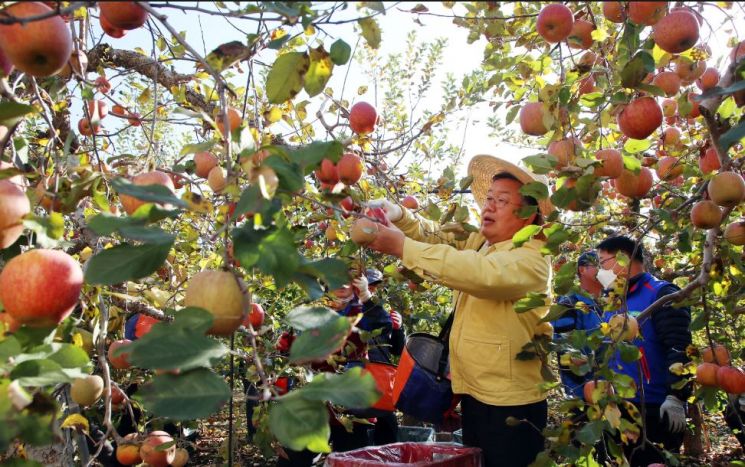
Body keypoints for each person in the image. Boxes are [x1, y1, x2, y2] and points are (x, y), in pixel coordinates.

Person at [366, 155, 553, 467]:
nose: (489, 206)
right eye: (489, 198)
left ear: (528, 213)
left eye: (502, 201)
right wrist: (398, 214)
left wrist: (402, 248)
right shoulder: (482, 242)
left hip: (512, 405)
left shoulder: (532, 258)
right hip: (476, 396)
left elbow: (480, 273)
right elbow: (439, 237)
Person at [595, 235, 692, 466]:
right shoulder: (614, 302)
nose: (600, 271)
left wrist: (676, 397)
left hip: (654, 407)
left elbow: (680, 346)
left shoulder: (661, 293)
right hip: (620, 406)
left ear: (622, 259)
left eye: (602, 262)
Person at [552, 251, 603, 399]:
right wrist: (581, 387)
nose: (605, 270)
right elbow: (563, 347)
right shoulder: (570, 301)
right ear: (582, 270)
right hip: (584, 390)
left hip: (610, 385)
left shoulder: (611, 300)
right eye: (598, 265)